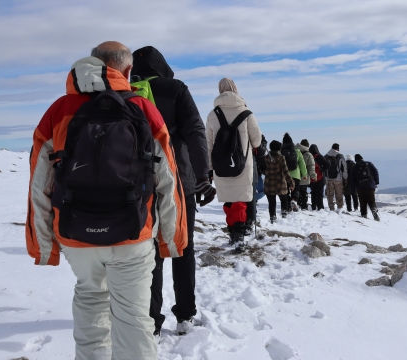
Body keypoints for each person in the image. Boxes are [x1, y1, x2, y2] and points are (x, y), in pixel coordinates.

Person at [25, 41, 187, 360]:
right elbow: (168, 179)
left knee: (90, 302)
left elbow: (38, 183)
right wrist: (171, 239)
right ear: (126, 71)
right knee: (133, 318)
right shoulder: (142, 108)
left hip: (75, 231)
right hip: (133, 231)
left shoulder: (58, 111)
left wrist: (45, 246)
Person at [130, 46, 215, 338]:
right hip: (179, 183)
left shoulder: (126, 93)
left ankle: (151, 319)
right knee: (182, 247)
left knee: (148, 251)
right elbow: (194, 130)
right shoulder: (175, 89)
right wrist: (203, 175)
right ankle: (185, 315)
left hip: (138, 187)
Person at [206, 78, 262, 249]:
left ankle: (233, 232)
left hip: (221, 164)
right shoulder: (246, 112)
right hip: (243, 164)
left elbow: (207, 145)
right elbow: (257, 140)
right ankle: (239, 233)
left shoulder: (212, 115)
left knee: (229, 200)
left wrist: (209, 168)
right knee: (241, 198)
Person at [264, 140, 295, 222]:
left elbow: (263, 170)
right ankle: (284, 216)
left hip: (269, 183)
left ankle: (272, 218)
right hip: (280, 183)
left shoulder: (266, 157)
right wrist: (291, 182)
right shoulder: (281, 157)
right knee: (284, 200)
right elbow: (285, 171)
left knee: (271, 202)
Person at [349, 154, 380, 221]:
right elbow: (376, 172)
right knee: (371, 200)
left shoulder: (354, 168)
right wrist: (376, 182)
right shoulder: (369, 164)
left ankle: (364, 216)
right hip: (370, 186)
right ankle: (374, 210)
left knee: (363, 202)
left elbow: (352, 180)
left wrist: (352, 190)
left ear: (355, 160)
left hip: (360, 188)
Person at [282, 133, 307, 212]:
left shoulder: (281, 151)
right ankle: (294, 200)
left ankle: (288, 207)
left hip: (284, 175)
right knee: (296, 189)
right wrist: (304, 174)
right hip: (296, 174)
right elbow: (302, 164)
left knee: (286, 191)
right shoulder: (297, 151)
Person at [325, 143, 348, 212]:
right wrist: (345, 178)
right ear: (338, 149)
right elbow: (344, 169)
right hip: (338, 179)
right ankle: (340, 207)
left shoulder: (326, 156)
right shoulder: (340, 156)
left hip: (328, 179)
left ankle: (331, 207)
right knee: (339, 194)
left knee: (330, 194)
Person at [296, 139, 317, 210]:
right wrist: (313, 176)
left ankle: (297, 204)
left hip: (294, 176)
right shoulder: (308, 154)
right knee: (303, 192)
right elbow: (311, 166)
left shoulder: (294, 151)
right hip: (304, 177)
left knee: (296, 191)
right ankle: (304, 206)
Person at [309, 144, 329, 211]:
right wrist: (322, 170)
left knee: (313, 193)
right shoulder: (320, 156)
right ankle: (320, 208)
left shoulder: (309, 156)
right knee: (320, 194)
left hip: (312, 179)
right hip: (320, 179)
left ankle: (313, 206)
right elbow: (328, 165)